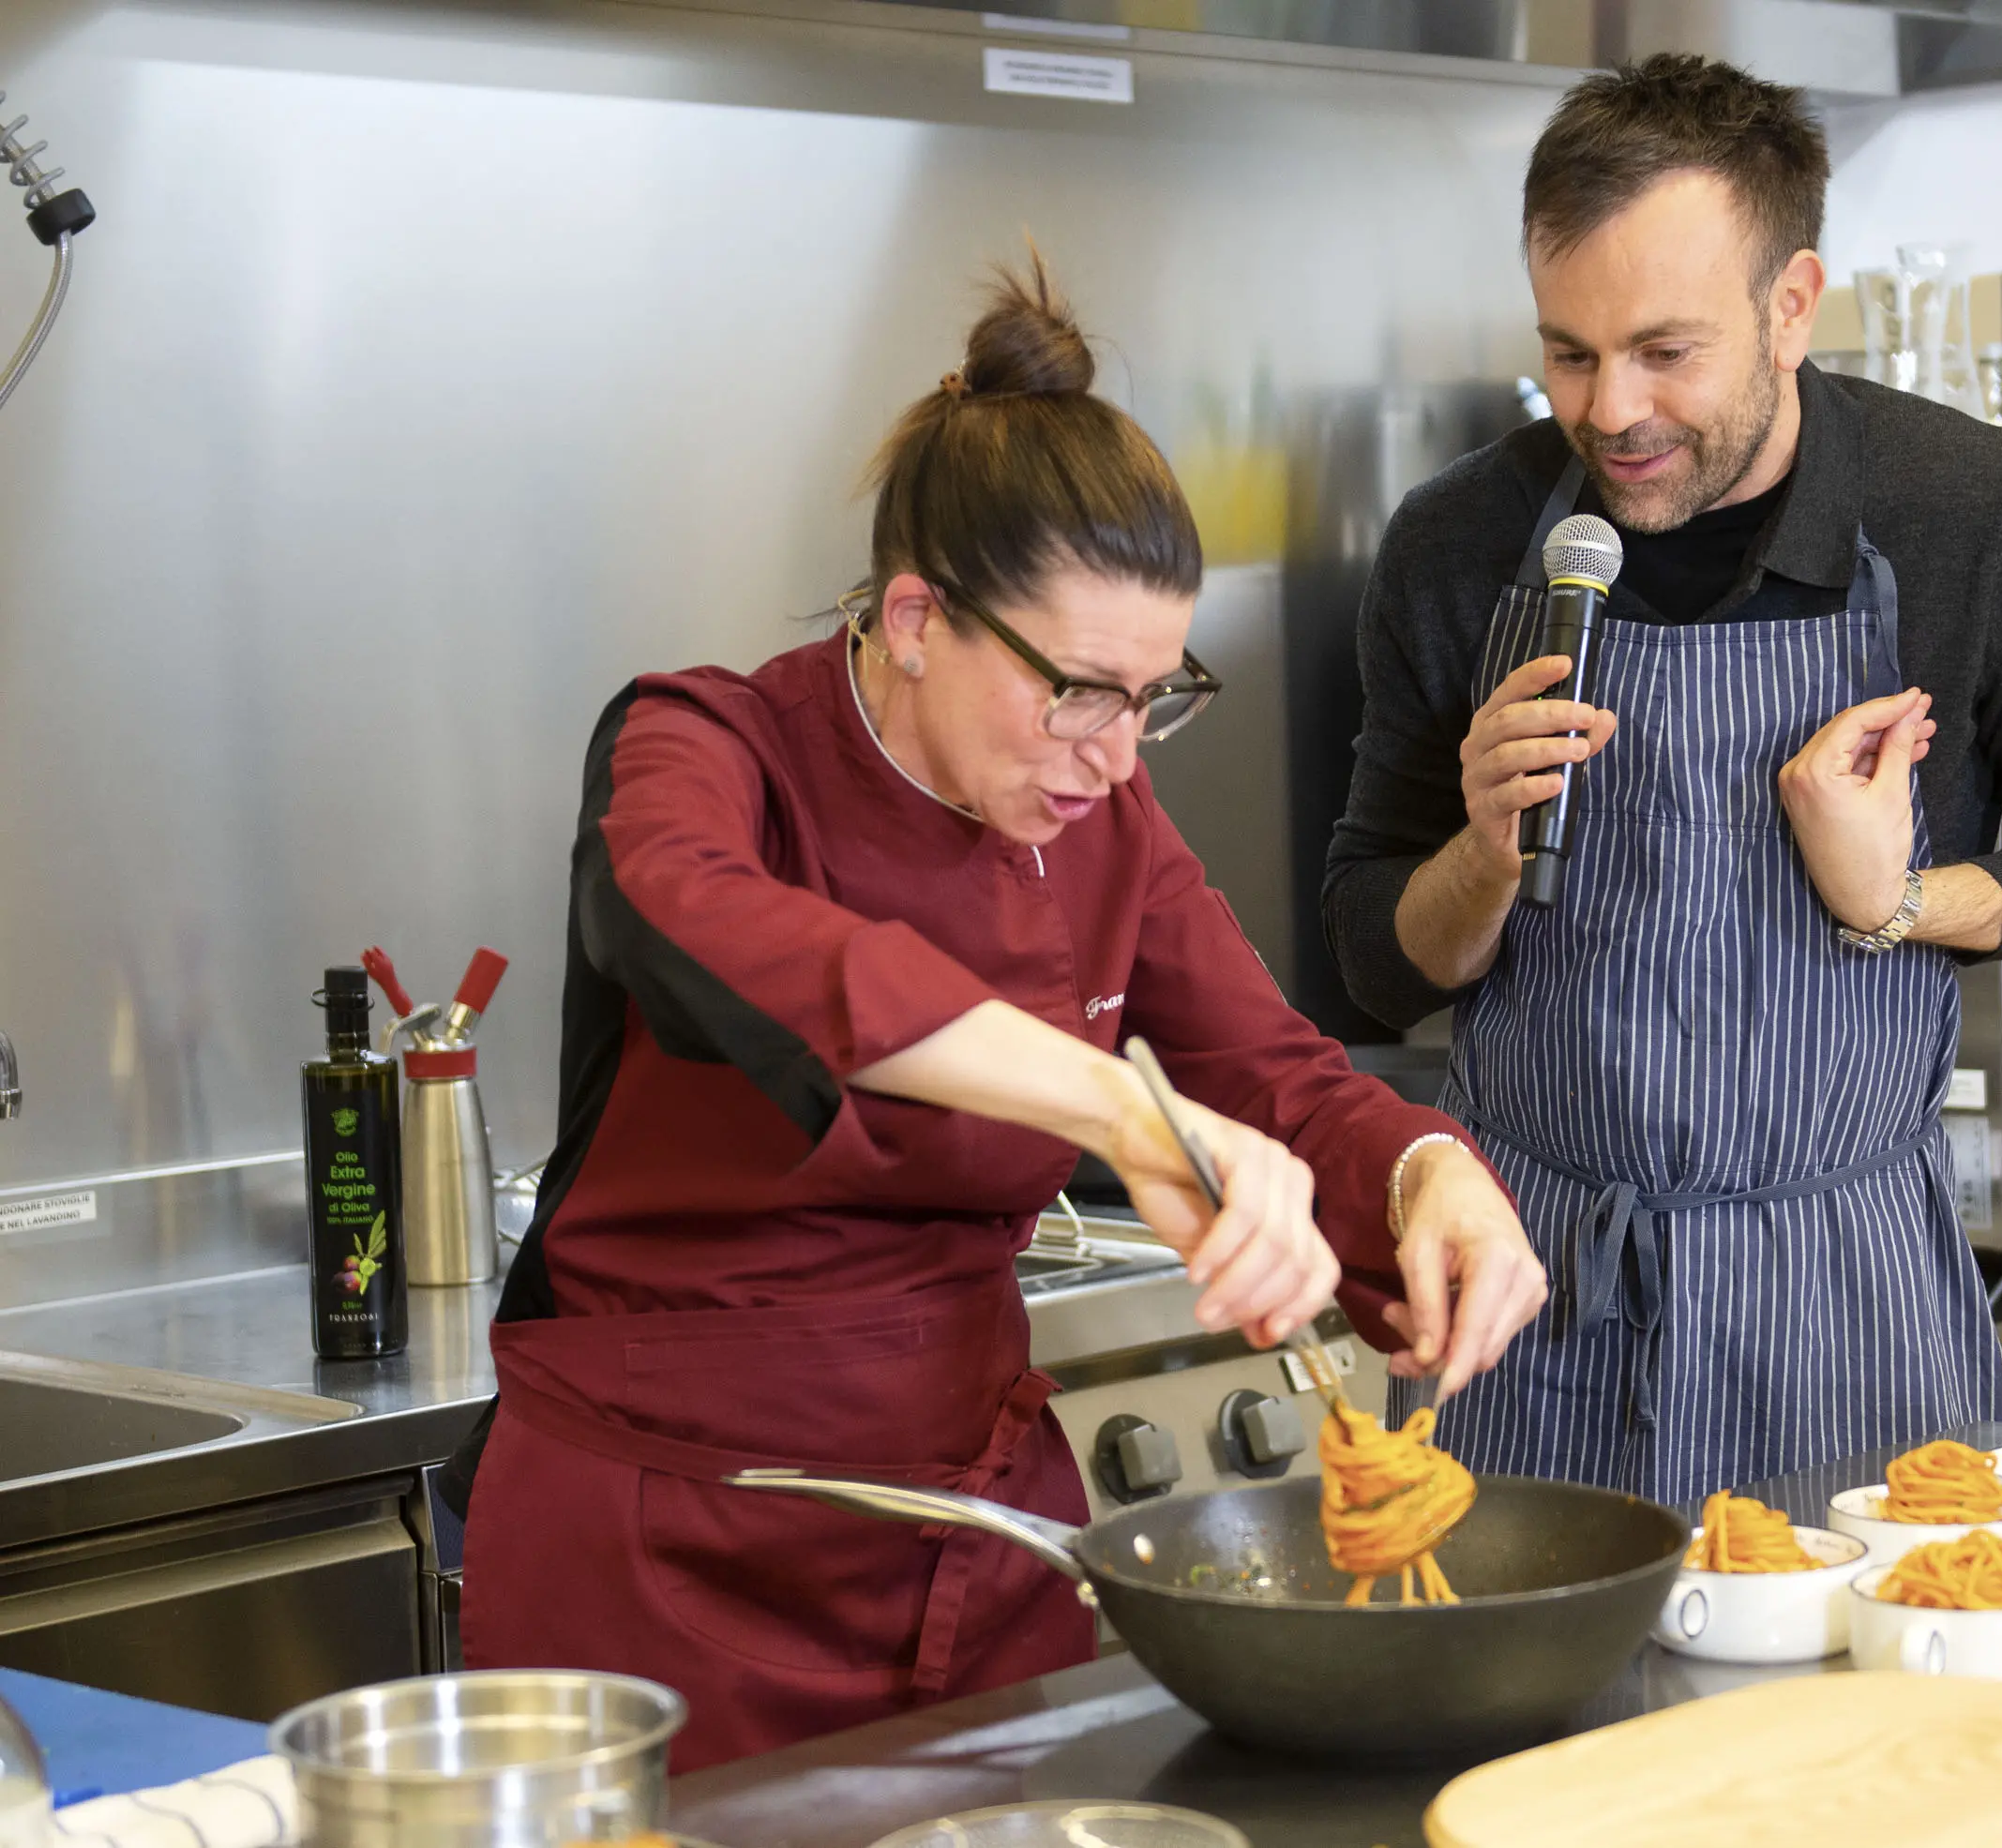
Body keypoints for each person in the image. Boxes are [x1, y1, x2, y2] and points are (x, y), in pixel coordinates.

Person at [448, 262, 1546, 1771]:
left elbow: (1277, 1074)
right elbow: (692, 911)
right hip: (670, 1550)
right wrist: (1109, 1107)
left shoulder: (1104, 812)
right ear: (915, 618)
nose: (1114, 753)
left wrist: (1430, 1175)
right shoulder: (705, 745)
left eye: (1157, 695)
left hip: (976, 1541)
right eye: (1078, 691)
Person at [1323, 57, 2002, 1503]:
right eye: (1572, 353)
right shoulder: (1461, 542)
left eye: (1667, 350)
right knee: (1539, 1727)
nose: (1612, 411)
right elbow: (1366, 960)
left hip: (1848, 1293)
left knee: (1866, 1722)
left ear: (1794, 305)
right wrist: (1479, 851)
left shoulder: (1980, 516)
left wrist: (1899, 896)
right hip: (1533, 1295)